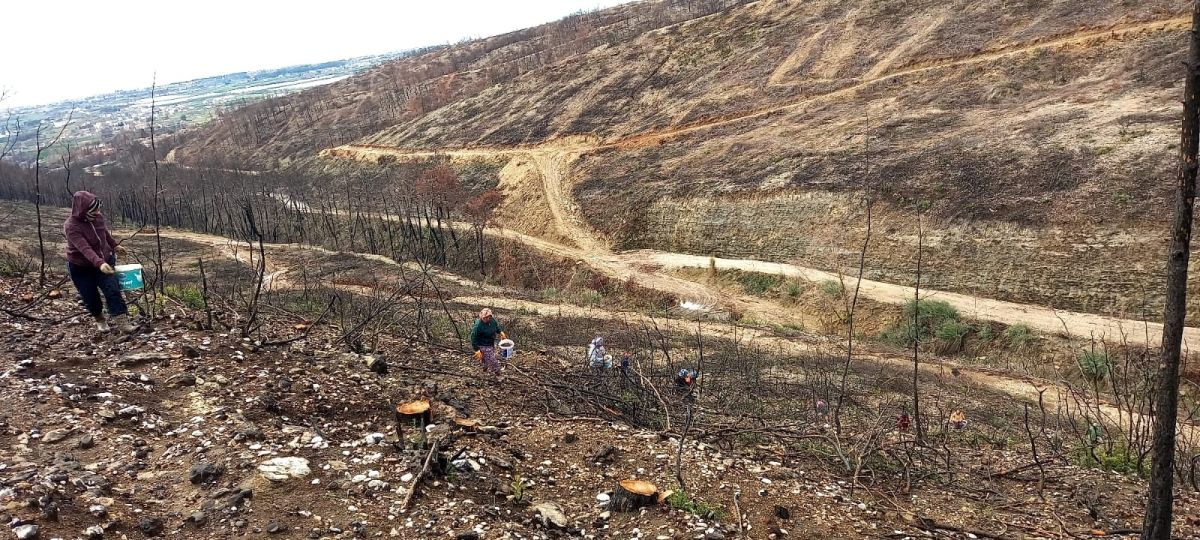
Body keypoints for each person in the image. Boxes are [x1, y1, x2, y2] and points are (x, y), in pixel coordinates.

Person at [64, 191, 134, 333]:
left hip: (105, 261)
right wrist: (99, 263)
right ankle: (100, 319)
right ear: (83, 210)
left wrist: (114, 245)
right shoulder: (71, 226)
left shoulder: (98, 218)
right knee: (90, 296)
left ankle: (123, 322)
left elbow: (104, 233)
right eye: (94, 210)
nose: (97, 212)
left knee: (113, 290)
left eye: (98, 209)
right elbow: (85, 249)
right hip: (81, 267)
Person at [469, 308, 506, 375]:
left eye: (489, 317)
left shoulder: (492, 320)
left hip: (490, 343)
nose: (487, 319)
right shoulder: (478, 326)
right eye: (485, 317)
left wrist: (500, 332)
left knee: (486, 357)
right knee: (492, 359)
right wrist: (477, 350)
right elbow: (473, 338)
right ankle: (498, 372)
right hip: (482, 344)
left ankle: (484, 367)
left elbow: (496, 327)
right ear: (481, 316)